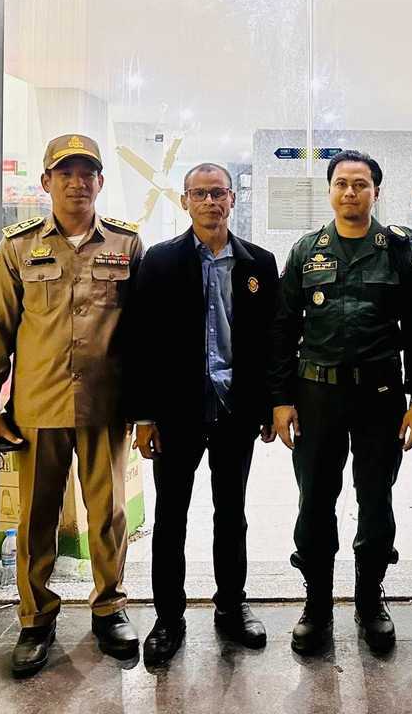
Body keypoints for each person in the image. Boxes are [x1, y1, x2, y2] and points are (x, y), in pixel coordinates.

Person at [0, 134, 144, 677]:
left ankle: (109, 607)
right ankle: (35, 617)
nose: (77, 183)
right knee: (36, 517)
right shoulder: (18, 247)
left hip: (105, 404)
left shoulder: (127, 244)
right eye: (65, 173)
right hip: (38, 405)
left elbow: (144, 332)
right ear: (46, 182)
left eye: (87, 173)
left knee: (108, 515)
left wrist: (145, 409)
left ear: (100, 181)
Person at [269, 150, 412, 655]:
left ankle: (369, 600)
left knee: (376, 499)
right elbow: (282, 329)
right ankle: (316, 604)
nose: (350, 192)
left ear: (376, 191)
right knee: (315, 500)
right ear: (330, 190)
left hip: (380, 396)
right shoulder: (306, 251)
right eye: (341, 183)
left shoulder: (397, 251)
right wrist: (281, 400)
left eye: (360, 184)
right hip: (317, 394)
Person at [128, 162, 280, 664]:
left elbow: (271, 341)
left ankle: (231, 607)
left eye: (218, 193)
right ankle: (168, 618)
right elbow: (140, 342)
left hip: (236, 408)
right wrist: (144, 416)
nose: (210, 202)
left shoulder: (259, 263)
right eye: (200, 194)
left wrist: (268, 405)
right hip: (177, 412)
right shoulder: (160, 261)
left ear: (232, 199)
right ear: (185, 201)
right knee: (171, 517)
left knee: (231, 514)